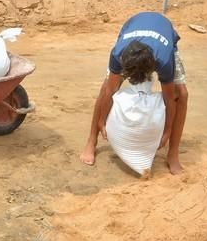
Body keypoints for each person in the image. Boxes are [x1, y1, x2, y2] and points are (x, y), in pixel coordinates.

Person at [80, 11, 188, 175]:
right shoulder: (118, 55)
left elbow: (170, 98)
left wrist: (166, 131)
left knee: (182, 94)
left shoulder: (164, 60)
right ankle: (91, 141)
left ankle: (173, 154)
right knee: (105, 88)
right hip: (132, 31)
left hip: (162, 37)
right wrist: (102, 121)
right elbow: (110, 91)